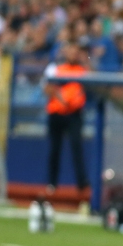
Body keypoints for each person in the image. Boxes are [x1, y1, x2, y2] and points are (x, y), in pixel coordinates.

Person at [43, 42, 88, 195]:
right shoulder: (57, 70)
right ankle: (51, 183)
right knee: (54, 150)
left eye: (76, 52)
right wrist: (60, 97)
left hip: (74, 114)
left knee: (77, 148)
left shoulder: (83, 71)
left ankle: (82, 185)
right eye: (71, 51)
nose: (73, 55)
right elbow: (47, 88)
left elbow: (85, 90)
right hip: (56, 113)